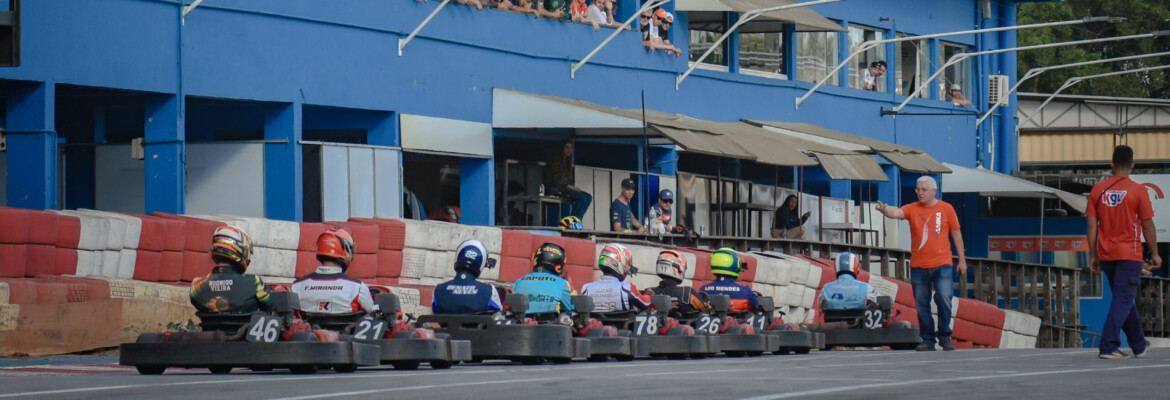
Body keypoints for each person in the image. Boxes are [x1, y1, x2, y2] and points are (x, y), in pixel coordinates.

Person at [875, 175, 966, 351]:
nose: (920, 193)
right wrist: (885, 210)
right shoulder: (912, 208)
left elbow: (956, 234)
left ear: (934, 191)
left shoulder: (946, 209)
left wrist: (962, 260)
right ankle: (928, 339)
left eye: (924, 190)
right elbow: (897, 212)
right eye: (918, 189)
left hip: (942, 264)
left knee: (944, 297)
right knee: (922, 304)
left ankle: (945, 335)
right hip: (919, 266)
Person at [1087, 145, 1160, 359]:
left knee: (1123, 298)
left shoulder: (1097, 190)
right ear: (1132, 166)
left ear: (1112, 164)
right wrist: (1155, 253)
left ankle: (1139, 344)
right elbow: (1147, 225)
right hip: (1129, 253)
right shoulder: (1138, 191)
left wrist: (1093, 255)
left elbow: (1091, 226)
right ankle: (1108, 345)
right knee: (1124, 299)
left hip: (1106, 254)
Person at [292, 228, 380, 314]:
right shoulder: (357, 287)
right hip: (346, 324)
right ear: (346, 250)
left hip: (308, 324)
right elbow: (371, 310)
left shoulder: (297, 286)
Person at [190, 226, 271, 313]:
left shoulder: (196, 286)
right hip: (245, 322)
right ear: (240, 249)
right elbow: (271, 304)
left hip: (210, 322)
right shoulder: (254, 283)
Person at [432, 239, 504, 314]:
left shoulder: (438, 291)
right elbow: (499, 314)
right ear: (481, 264)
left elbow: (435, 312)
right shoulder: (489, 291)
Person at [582, 244, 650, 312]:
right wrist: (649, 293)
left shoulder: (586, 289)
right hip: (624, 319)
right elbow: (646, 303)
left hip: (594, 319)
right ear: (621, 262)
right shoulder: (627, 288)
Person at [512, 242, 576, 314]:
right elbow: (572, 309)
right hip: (549, 320)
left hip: (522, 320)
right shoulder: (562, 284)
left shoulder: (519, 282)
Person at [544, 138, 593, 223]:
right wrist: (572, 187)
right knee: (581, 197)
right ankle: (573, 222)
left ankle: (576, 220)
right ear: (562, 148)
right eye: (566, 147)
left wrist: (572, 187)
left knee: (588, 197)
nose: (569, 150)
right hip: (555, 188)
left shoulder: (567, 162)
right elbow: (558, 181)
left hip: (564, 187)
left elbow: (568, 181)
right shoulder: (556, 160)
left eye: (570, 148)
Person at [648, 250, 709, 317]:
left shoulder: (649, 293)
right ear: (679, 268)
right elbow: (705, 308)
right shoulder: (687, 293)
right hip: (684, 323)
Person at [699, 248, 759, 312]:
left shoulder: (703, 291)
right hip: (737, 318)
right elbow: (756, 306)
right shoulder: (746, 291)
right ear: (736, 265)